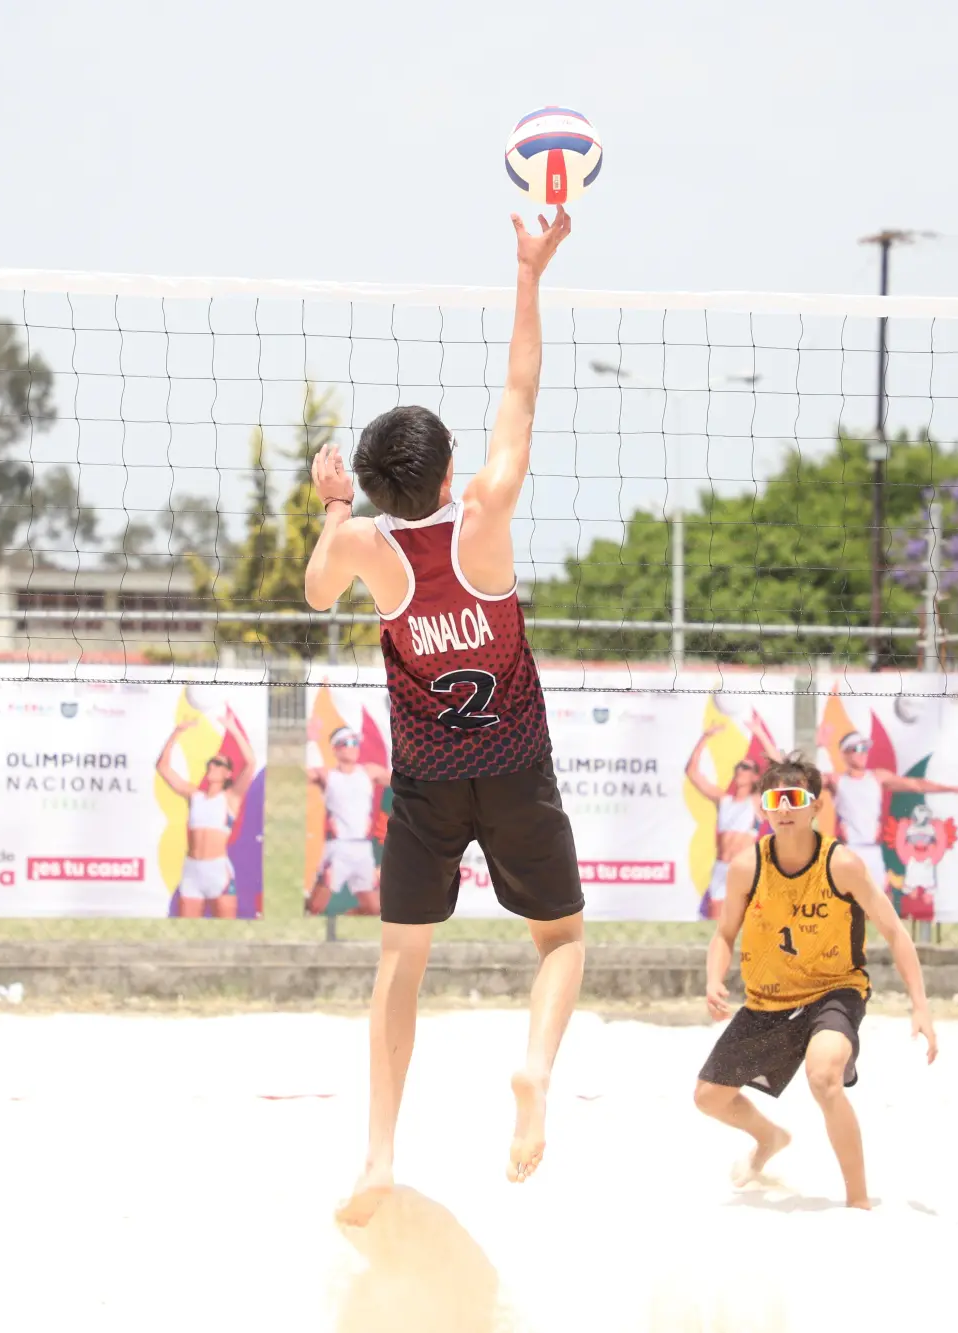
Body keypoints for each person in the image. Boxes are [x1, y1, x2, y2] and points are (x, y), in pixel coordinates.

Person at [303, 205, 581, 1223]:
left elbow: (309, 594)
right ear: (447, 472)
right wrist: (526, 272)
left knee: (397, 964)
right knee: (558, 941)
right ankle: (534, 1072)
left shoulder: (370, 553)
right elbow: (522, 386)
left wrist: (334, 508)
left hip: (423, 782)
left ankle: (377, 1157)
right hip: (514, 772)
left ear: (375, 486)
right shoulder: (489, 514)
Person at [694, 754, 938, 1209]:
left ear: (814, 806)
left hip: (834, 991)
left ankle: (858, 1201)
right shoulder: (748, 866)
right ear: (762, 809)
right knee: (708, 1098)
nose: (784, 809)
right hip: (768, 1000)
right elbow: (724, 935)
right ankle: (768, 1137)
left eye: (795, 799)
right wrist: (713, 979)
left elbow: (895, 933)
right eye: (774, 800)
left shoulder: (841, 864)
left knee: (824, 1077)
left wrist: (920, 1006)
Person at [825, 730, 958, 891]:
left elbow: (916, 785)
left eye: (865, 748)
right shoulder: (836, 780)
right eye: (857, 749)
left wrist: (953, 789)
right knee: (846, 902)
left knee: (881, 903)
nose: (863, 753)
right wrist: (821, 748)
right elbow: (806, 782)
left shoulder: (877, 777)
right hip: (850, 849)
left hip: (873, 851)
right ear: (845, 754)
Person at [155, 716, 259, 918]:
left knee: (227, 930)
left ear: (228, 774)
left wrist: (233, 729)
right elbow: (163, 767)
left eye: (219, 764)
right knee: (187, 931)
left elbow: (251, 763)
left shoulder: (231, 798)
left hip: (217, 871)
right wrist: (177, 732)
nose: (212, 766)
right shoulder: (195, 795)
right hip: (192, 870)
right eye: (211, 762)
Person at [684, 721, 772, 920]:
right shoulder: (723, 800)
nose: (740, 770)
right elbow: (692, 772)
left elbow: (780, 768)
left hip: (743, 869)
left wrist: (760, 734)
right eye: (739, 767)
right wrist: (705, 737)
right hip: (720, 867)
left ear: (755, 777)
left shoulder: (756, 802)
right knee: (716, 924)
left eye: (746, 767)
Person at [309, 727, 391, 917]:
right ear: (336, 749)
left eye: (355, 742)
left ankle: (344, 920)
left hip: (362, 849)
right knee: (315, 907)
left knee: (375, 909)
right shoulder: (328, 775)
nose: (352, 747)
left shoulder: (369, 772)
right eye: (346, 743)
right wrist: (310, 743)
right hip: (338, 848)